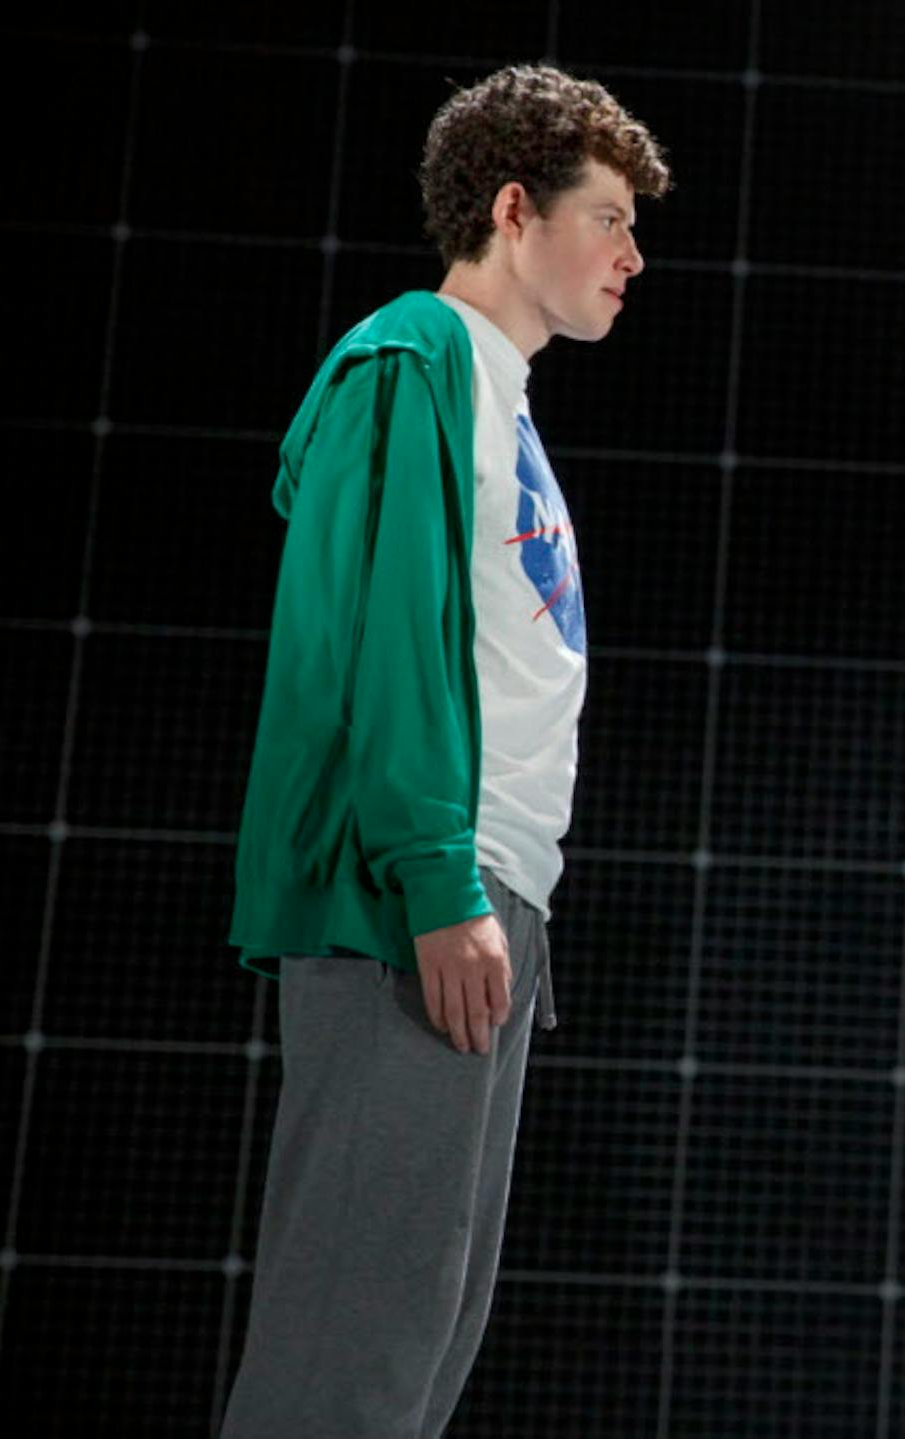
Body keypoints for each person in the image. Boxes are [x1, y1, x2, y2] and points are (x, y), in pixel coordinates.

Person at [219, 66, 669, 1438]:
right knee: (351, 1340)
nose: (633, 255)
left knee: (422, 1329)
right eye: (608, 219)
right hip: (413, 893)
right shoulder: (411, 356)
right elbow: (380, 635)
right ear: (514, 208)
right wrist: (436, 878)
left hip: (492, 896)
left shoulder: (505, 403)